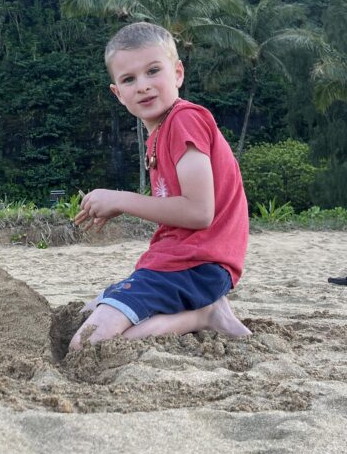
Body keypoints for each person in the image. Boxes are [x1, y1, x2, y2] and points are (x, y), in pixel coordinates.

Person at [70, 22, 250, 349]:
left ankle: (204, 314)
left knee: (86, 343)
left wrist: (120, 200)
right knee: (87, 313)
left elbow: (199, 212)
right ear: (118, 93)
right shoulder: (161, 132)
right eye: (129, 79)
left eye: (153, 71)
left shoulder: (184, 120)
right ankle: (207, 310)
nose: (143, 86)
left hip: (197, 266)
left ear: (178, 73)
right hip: (176, 263)